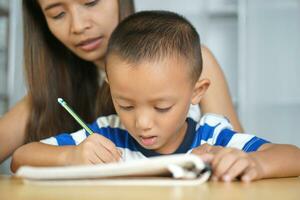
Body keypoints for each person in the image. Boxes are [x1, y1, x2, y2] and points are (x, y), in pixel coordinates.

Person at [11, 11, 300, 182]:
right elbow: (21, 158)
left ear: (197, 92)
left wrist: (255, 164)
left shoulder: (213, 136)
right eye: (125, 104)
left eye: (162, 107)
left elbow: (293, 156)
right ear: (110, 88)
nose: (142, 123)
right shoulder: (108, 133)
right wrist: (71, 156)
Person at [0, 0, 242, 163]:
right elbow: (21, 157)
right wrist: (69, 156)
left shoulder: (195, 63)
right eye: (58, 14)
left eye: (90, 2)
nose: (78, 25)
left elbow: (237, 156)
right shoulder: (52, 91)